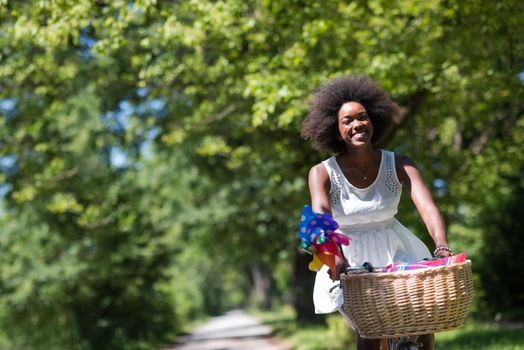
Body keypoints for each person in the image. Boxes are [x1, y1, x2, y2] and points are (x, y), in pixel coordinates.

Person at [301, 74, 452, 350]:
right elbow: (321, 217)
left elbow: (427, 207)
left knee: (421, 322)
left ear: (373, 121)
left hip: (397, 249)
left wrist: (441, 245)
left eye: (363, 117)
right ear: (336, 132)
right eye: (347, 121)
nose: (357, 124)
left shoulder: (400, 164)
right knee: (370, 332)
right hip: (348, 256)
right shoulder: (322, 173)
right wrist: (335, 258)